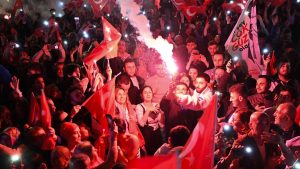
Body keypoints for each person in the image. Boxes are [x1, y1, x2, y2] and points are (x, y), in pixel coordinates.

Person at [215, 112, 281, 169]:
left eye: (267, 123)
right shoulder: (242, 142)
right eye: (260, 123)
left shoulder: (270, 142)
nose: (264, 127)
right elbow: (234, 166)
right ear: (250, 125)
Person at [135, 86, 164, 155]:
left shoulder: (156, 105)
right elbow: (141, 124)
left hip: (157, 133)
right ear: (141, 95)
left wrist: (162, 114)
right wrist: (148, 110)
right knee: (149, 155)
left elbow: (162, 124)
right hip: (146, 134)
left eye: (149, 92)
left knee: (158, 154)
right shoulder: (139, 106)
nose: (148, 94)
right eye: (145, 92)